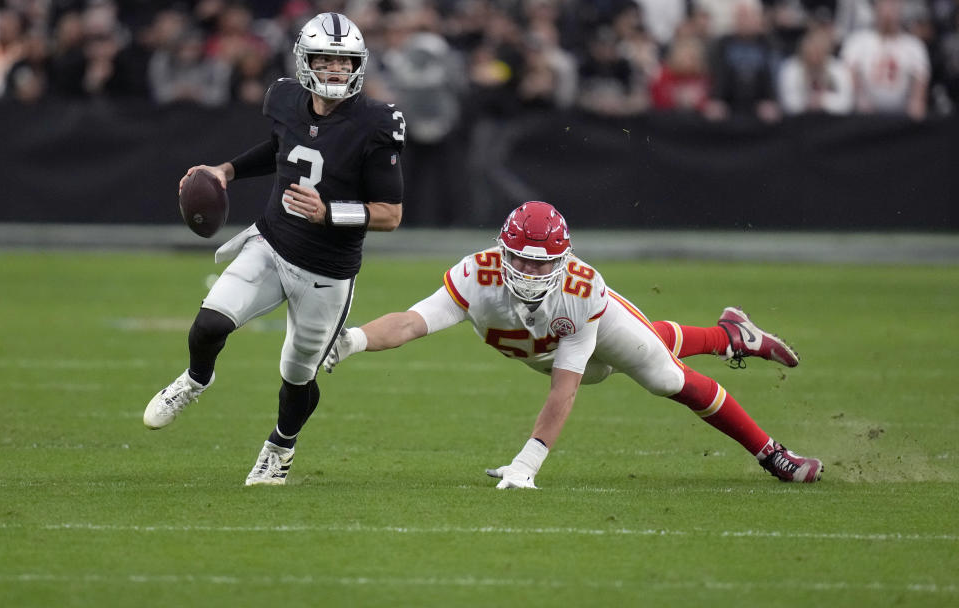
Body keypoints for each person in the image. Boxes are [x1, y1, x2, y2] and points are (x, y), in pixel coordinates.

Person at [322, 201, 822, 489]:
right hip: (541, 348)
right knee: (639, 354)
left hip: (583, 335)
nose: (532, 272)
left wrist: (527, 463)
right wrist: (355, 340)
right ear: (503, 252)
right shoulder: (476, 274)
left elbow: (567, 385)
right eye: (522, 261)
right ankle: (730, 334)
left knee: (662, 375)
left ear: (563, 259)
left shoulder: (581, 290)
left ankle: (771, 453)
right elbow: (411, 323)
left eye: (543, 264)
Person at [142, 12, 406, 486]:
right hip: (272, 243)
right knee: (208, 324)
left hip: (327, 271)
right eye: (325, 60)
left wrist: (329, 212)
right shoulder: (286, 98)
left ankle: (280, 446)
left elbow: (390, 213)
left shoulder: (375, 123)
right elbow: (279, 148)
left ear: (358, 66)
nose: (335, 71)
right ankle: (197, 379)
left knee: (297, 376)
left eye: (344, 63)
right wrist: (225, 171)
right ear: (305, 62)